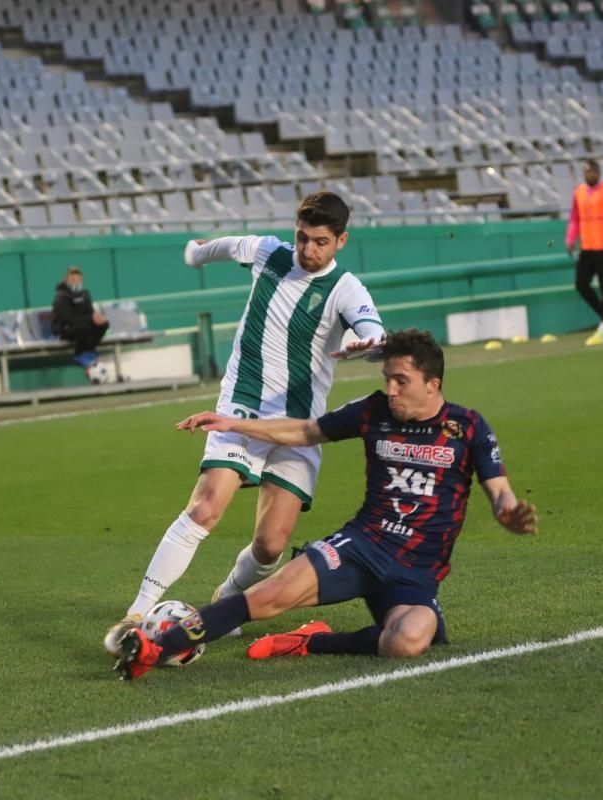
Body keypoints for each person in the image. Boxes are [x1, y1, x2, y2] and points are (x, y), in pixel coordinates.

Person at [113, 329, 539, 680]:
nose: (390, 389)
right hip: (361, 546)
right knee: (268, 595)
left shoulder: (467, 427)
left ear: (433, 384)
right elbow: (304, 431)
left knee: (407, 641)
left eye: (401, 381)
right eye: (388, 378)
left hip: (415, 573)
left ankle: (310, 640)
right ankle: (155, 646)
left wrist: (509, 513)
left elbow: (499, 492)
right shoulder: (373, 411)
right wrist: (234, 423)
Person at [102, 192, 387, 655]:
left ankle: (227, 598)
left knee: (272, 545)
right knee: (207, 507)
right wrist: (194, 253)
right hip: (241, 407)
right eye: (303, 238)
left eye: (320, 242)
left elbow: (373, 329)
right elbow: (215, 248)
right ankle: (138, 612)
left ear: (340, 241)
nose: (308, 250)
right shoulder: (268, 253)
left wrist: (368, 344)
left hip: (299, 426)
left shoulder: (346, 288)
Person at [565, 159, 603, 347]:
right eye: (587, 172)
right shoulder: (578, 192)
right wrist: (570, 239)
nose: (590, 175)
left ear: (598, 173)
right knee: (581, 283)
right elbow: (574, 219)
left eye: (593, 172)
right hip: (587, 247)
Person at [51, 266, 108, 367]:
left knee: (103, 325)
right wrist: (90, 319)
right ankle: (79, 354)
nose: (76, 282)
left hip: (82, 325)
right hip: (64, 328)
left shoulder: (85, 294)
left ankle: (89, 351)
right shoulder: (61, 296)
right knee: (85, 328)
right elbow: (67, 319)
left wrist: (97, 318)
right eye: (73, 280)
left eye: (79, 280)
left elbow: (90, 312)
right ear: (67, 280)